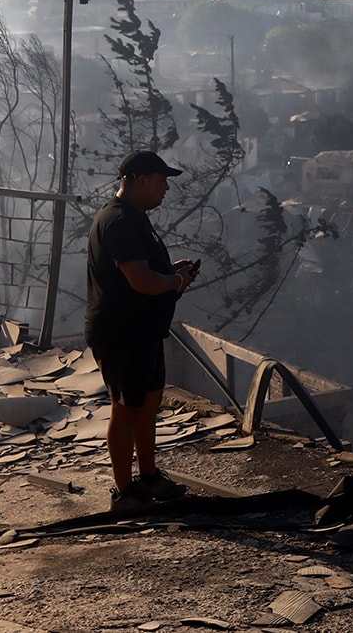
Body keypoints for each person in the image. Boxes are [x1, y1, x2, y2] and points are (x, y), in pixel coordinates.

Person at [85, 150, 200, 511]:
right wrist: (174, 280)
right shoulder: (119, 221)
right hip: (122, 334)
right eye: (162, 180)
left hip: (144, 331)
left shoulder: (135, 219)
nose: (166, 188)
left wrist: (170, 270)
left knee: (148, 404)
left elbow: (147, 271)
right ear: (140, 180)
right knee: (126, 409)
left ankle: (148, 476)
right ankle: (124, 491)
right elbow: (142, 281)